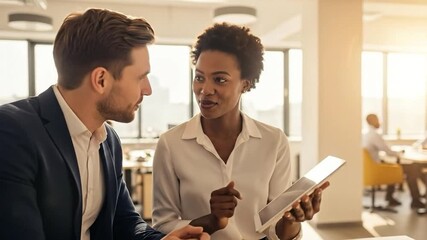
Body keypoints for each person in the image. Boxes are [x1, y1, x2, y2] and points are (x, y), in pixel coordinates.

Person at [0, 8, 209, 240]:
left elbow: (125, 221)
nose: (147, 90)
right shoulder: (11, 131)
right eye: (141, 77)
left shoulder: (108, 140)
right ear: (101, 80)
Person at [151, 22, 328, 240]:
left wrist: (291, 220)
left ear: (245, 84)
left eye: (220, 79)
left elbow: (276, 231)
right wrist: (211, 221)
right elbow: (163, 225)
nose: (205, 90)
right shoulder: (171, 144)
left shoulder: (273, 141)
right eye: (199, 77)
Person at [362, 113, 425, 209]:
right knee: (412, 168)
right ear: (373, 121)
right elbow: (388, 152)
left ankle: (390, 197)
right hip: (377, 169)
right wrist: (400, 153)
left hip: (371, 168)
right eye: (378, 120)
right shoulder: (374, 135)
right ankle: (415, 200)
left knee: (395, 166)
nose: (380, 122)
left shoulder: (365, 135)